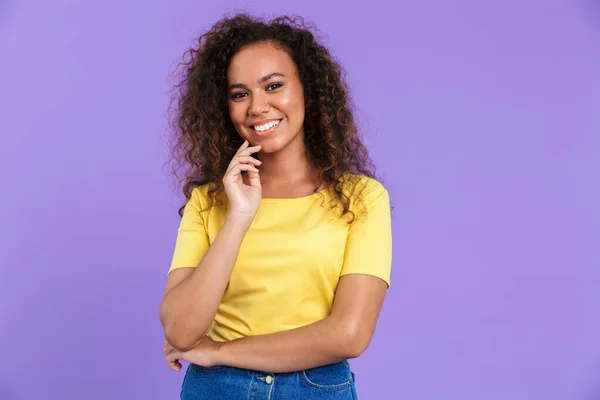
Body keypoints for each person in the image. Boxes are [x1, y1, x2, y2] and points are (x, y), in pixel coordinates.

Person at [159, 13, 393, 399]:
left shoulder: (362, 198)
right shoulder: (209, 201)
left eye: (273, 86)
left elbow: (349, 334)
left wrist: (218, 351)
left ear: (308, 90)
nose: (257, 106)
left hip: (315, 388)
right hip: (218, 389)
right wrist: (239, 217)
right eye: (239, 94)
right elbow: (181, 331)